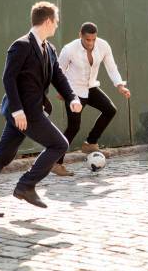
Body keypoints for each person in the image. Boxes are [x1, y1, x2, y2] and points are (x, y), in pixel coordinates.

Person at [0, 2, 82, 218]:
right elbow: (8, 78)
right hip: (25, 112)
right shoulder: (21, 45)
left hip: (29, 111)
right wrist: (18, 111)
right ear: (47, 21)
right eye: (56, 22)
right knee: (59, 144)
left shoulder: (49, 49)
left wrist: (72, 97)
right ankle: (26, 185)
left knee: (2, 156)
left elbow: (58, 76)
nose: (57, 26)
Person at [51, 22, 131, 176]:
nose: (91, 43)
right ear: (80, 36)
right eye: (88, 40)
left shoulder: (103, 46)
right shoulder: (69, 49)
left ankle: (90, 142)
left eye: (93, 39)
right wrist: (62, 91)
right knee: (74, 127)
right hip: (73, 90)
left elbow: (111, 66)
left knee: (110, 110)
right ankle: (56, 163)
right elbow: (58, 71)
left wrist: (120, 85)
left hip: (91, 87)